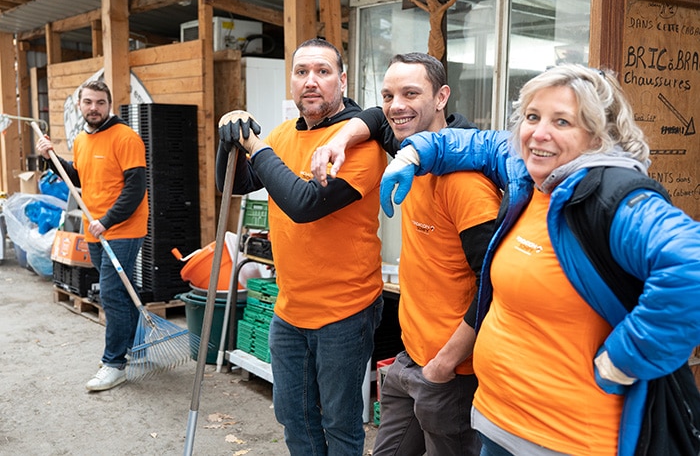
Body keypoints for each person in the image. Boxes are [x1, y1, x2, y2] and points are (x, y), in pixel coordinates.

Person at [379, 64, 700, 455]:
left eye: (562, 121)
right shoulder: (529, 173)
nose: (539, 133)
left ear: (599, 134)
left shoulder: (613, 196)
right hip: (498, 422)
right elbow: (478, 143)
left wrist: (625, 358)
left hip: (563, 439)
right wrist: (414, 154)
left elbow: (692, 267)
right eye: (532, 117)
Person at [313, 52, 500, 455]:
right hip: (408, 360)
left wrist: (441, 367)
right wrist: (339, 139)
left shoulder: (464, 182)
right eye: (388, 94)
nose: (397, 106)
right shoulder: (407, 154)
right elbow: (377, 119)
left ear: (441, 97)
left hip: (451, 375)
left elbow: (496, 289)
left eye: (411, 93)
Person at [215, 38, 387, 456]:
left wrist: (255, 147)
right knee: (295, 419)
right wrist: (228, 141)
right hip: (290, 310)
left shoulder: (359, 145)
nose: (311, 81)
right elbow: (233, 186)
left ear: (342, 81)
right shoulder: (281, 135)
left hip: (345, 311)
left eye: (323, 72)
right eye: (301, 72)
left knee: (341, 425)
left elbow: (305, 204)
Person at [36, 80, 149, 392]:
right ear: (79, 106)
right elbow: (77, 177)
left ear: (109, 104)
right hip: (95, 228)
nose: (94, 108)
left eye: (100, 102)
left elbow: (136, 188)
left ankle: (114, 364)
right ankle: (136, 346)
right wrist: (51, 158)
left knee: (111, 293)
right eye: (88, 102)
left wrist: (108, 220)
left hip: (122, 228)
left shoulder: (125, 137)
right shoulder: (82, 140)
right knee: (123, 290)